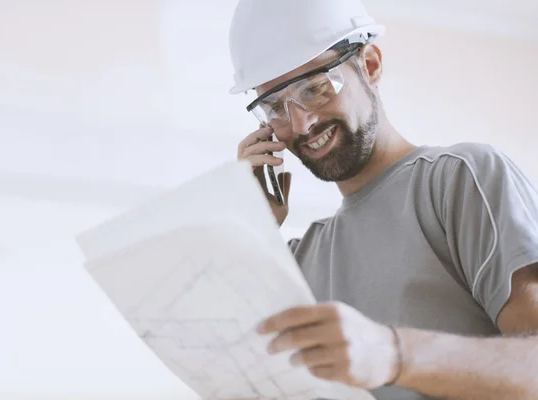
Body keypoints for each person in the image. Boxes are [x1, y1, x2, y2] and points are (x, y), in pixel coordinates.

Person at [229, 0, 538, 399]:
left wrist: (394, 355)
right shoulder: (298, 262)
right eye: (274, 107)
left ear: (370, 64)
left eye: (317, 88)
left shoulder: (460, 179)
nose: (301, 123)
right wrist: (255, 229)